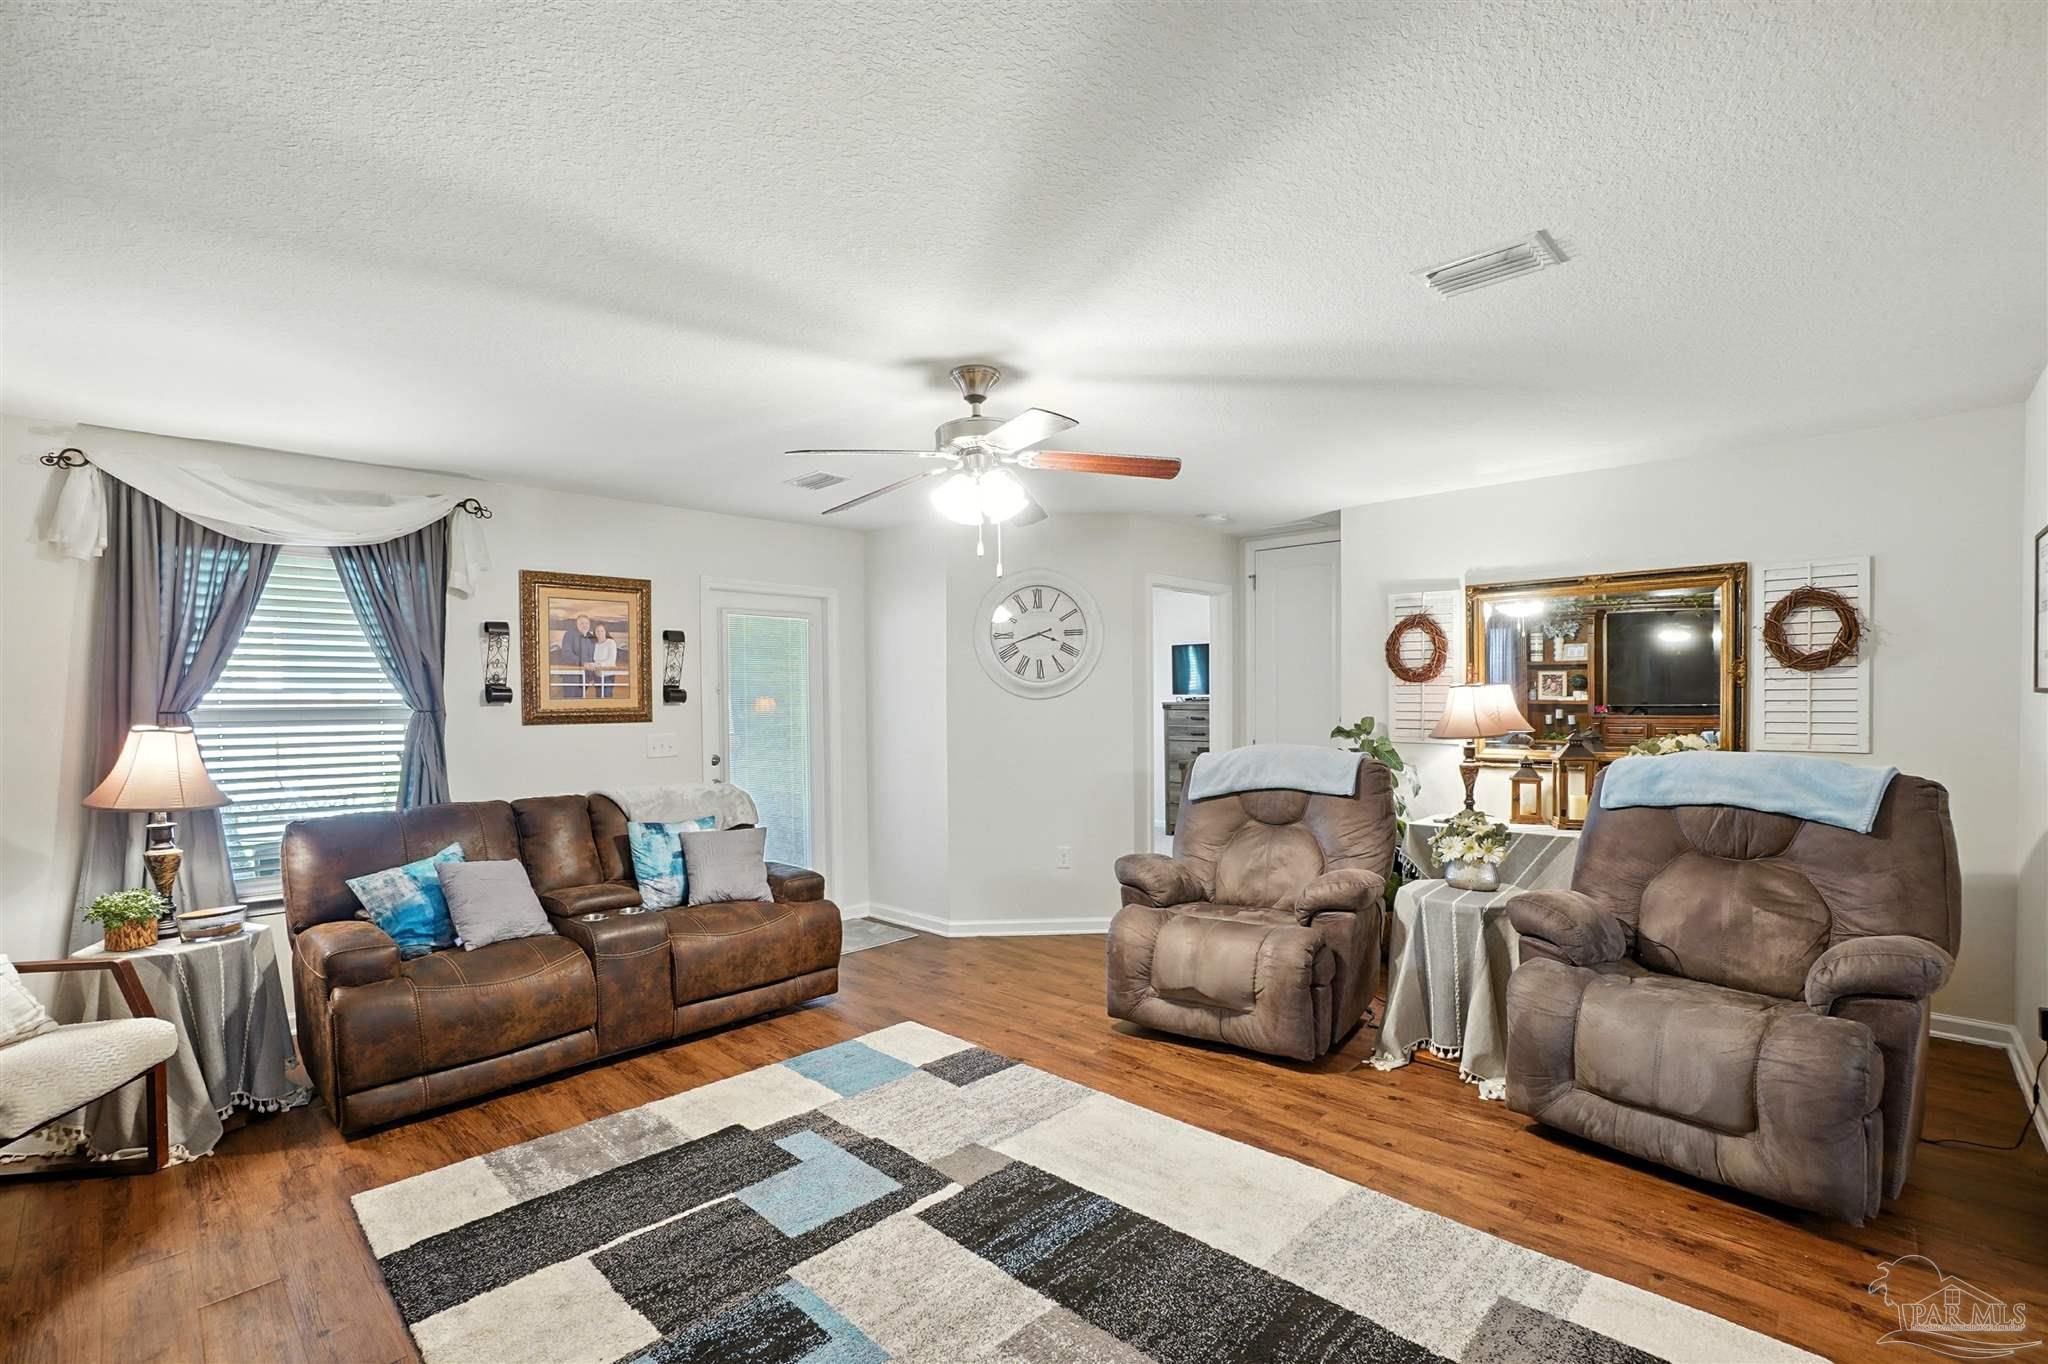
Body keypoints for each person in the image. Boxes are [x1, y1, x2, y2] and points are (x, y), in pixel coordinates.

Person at [555, 613, 596, 697]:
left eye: (587, 623)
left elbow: (594, 655)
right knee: (570, 700)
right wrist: (583, 663)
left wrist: (593, 674)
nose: (584, 625)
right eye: (581, 623)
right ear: (577, 624)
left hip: (586, 675)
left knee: (580, 698)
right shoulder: (569, 634)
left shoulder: (591, 637)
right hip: (572, 674)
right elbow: (567, 653)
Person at [590, 623, 619, 698]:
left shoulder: (611, 642)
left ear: (605, 631)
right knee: (599, 696)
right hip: (597, 675)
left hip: (608, 675)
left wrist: (598, 664)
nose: (600, 633)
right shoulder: (593, 644)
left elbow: (611, 660)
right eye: (597, 631)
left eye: (602, 631)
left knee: (607, 696)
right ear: (594, 633)